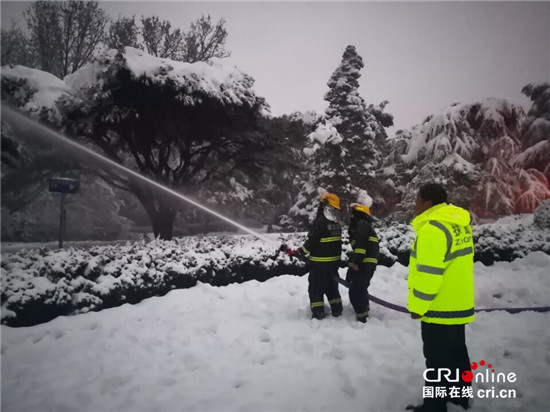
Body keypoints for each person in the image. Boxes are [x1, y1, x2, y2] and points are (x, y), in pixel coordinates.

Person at [406, 183, 475, 412]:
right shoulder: (458, 225)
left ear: (428, 203)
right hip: (458, 303)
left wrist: (418, 306)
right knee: (457, 354)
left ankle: (434, 407)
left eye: (417, 199)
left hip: (438, 307)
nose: (414, 203)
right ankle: (460, 396)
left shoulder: (433, 229)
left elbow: (428, 274)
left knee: (436, 362)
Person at [287, 192, 343, 319]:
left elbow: (312, 241)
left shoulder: (320, 222)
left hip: (319, 265)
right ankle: (337, 310)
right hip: (333, 265)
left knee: (316, 288)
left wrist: (301, 251)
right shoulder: (336, 224)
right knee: (332, 287)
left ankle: (318, 313)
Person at [346, 202, 379, 323]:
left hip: (365, 263)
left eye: (352, 212)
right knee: (360, 288)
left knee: (356, 291)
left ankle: (362, 318)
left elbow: (360, 246)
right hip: (366, 262)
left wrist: (357, 262)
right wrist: (351, 269)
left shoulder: (362, 224)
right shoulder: (363, 224)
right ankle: (364, 310)